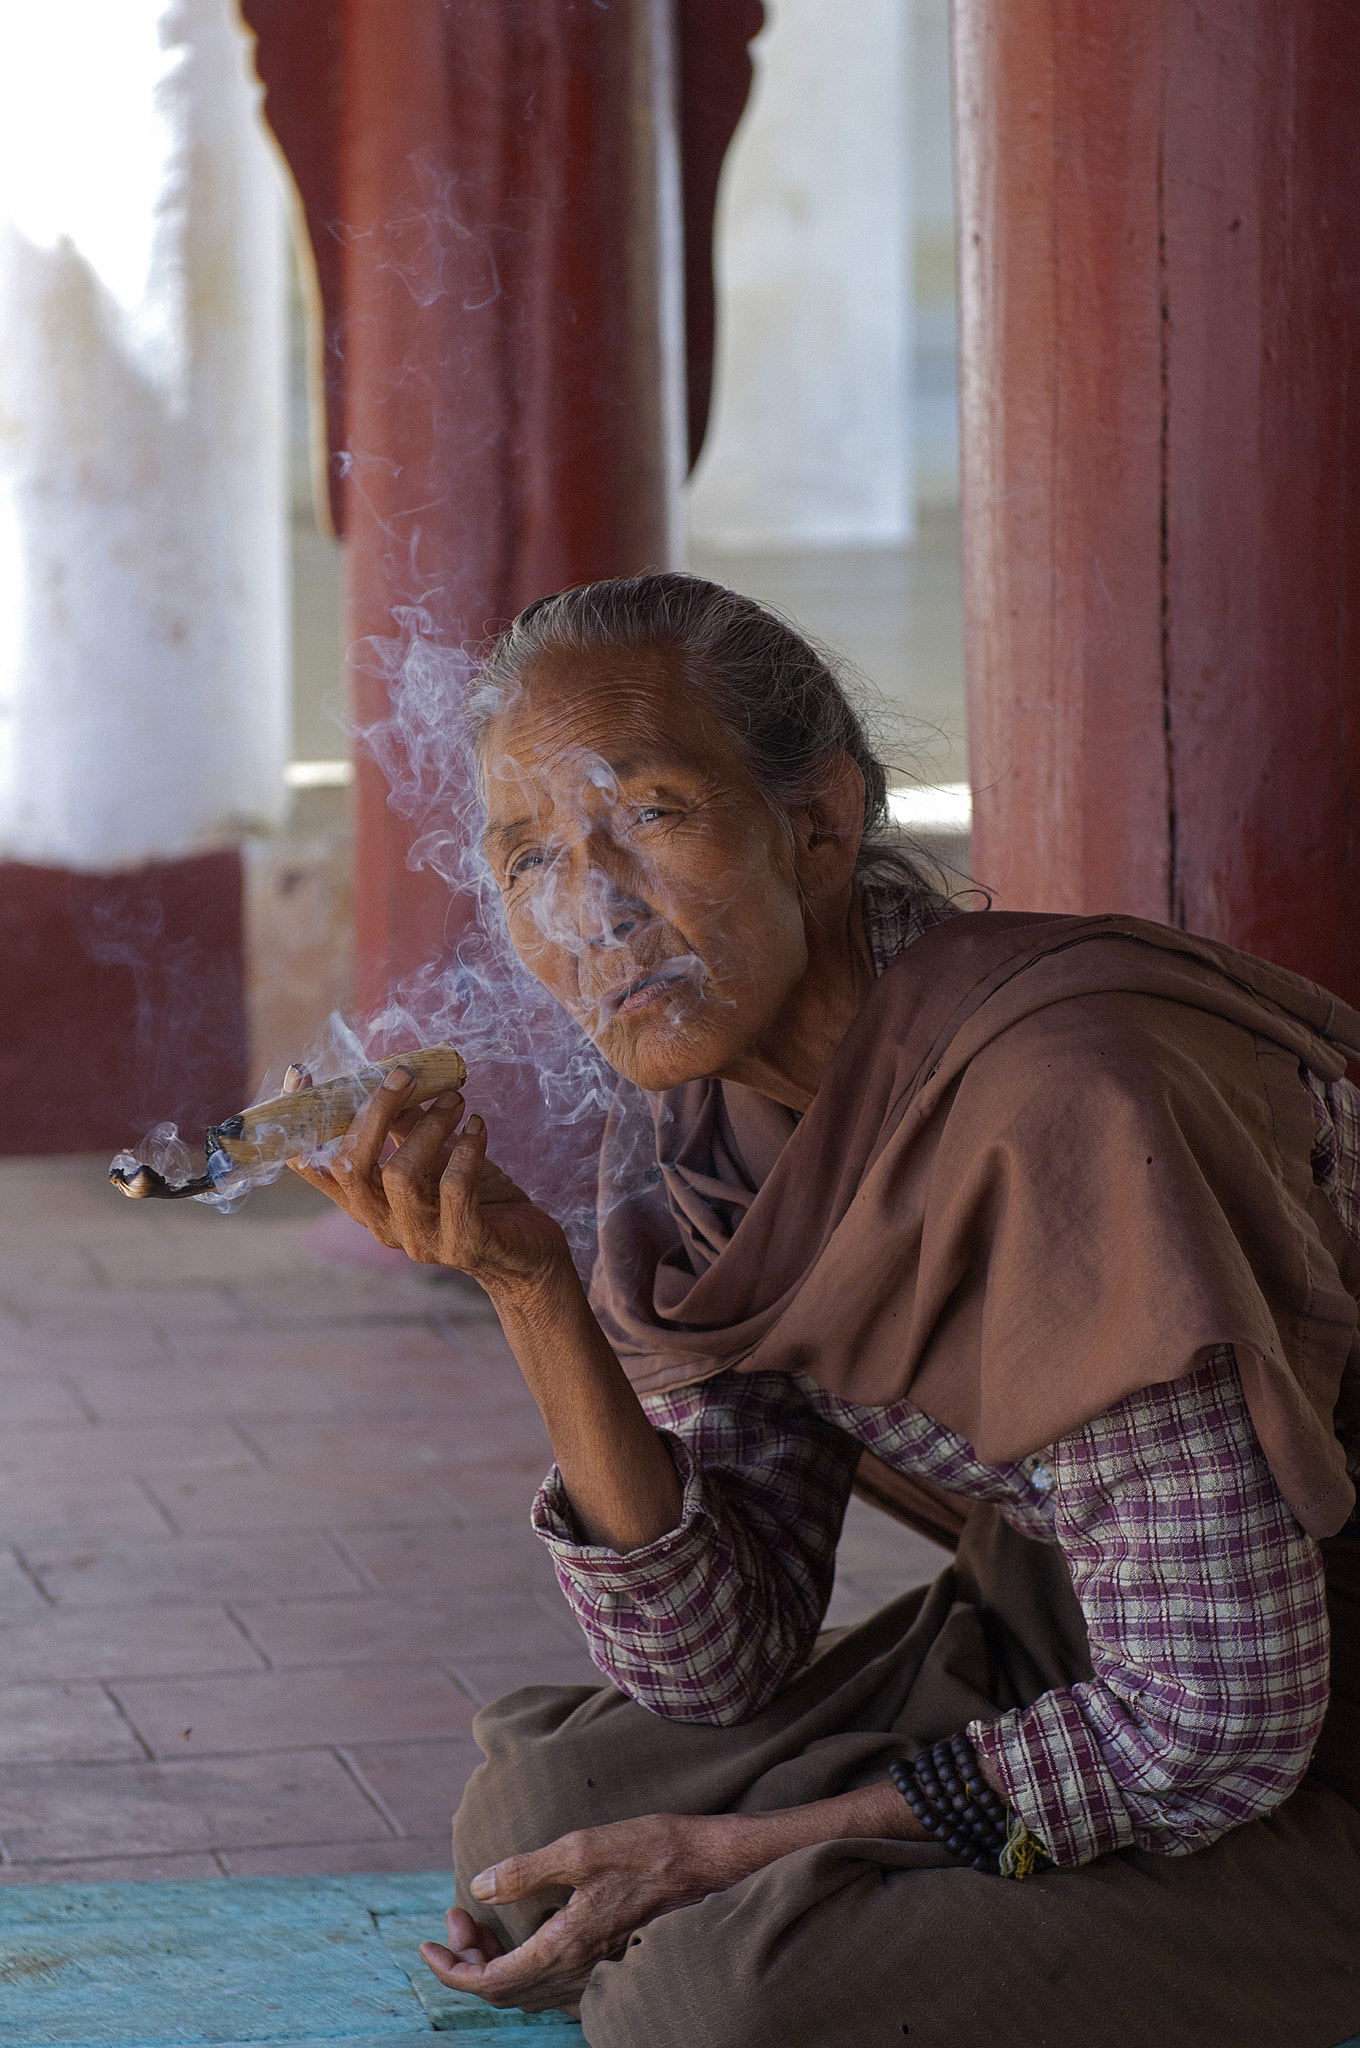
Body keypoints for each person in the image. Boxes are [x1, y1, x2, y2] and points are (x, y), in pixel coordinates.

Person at [292, 575, 1360, 2048]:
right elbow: (717, 1655)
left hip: (1300, 1697)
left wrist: (734, 1856)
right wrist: (529, 1285)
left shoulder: (1069, 1103)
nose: (591, 910)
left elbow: (1219, 1726)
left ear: (819, 826)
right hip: (1089, 1622)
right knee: (542, 1827)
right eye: (531, 855)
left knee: (721, 1996)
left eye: (650, 816)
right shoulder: (691, 1130)